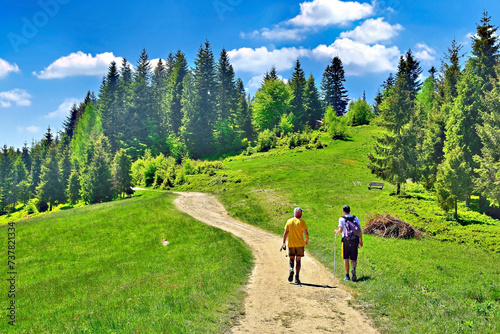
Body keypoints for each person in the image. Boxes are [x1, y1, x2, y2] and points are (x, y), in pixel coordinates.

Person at [334, 205, 363, 282]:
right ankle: (353, 269)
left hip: (346, 241)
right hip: (355, 240)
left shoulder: (341, 219)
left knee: (346, 258)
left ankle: (347, 276)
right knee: (354, 258)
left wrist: (336, 232)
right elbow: (359, 230)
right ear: (350, 211)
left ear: (343, 211)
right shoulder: (355, 218)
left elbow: (340, 230)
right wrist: (361, 241)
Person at [282, 207, 309, 284]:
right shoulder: (302, 222)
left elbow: (285, 233)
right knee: (298, 260)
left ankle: (291, 268)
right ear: (299, 213)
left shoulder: (289, 221)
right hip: (300, 244)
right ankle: (297, 277)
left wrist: (284, 243)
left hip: (291, 244)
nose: (302, 214)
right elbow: (306, 233)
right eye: (301, 212)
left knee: (291, 259)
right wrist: (306, 240)